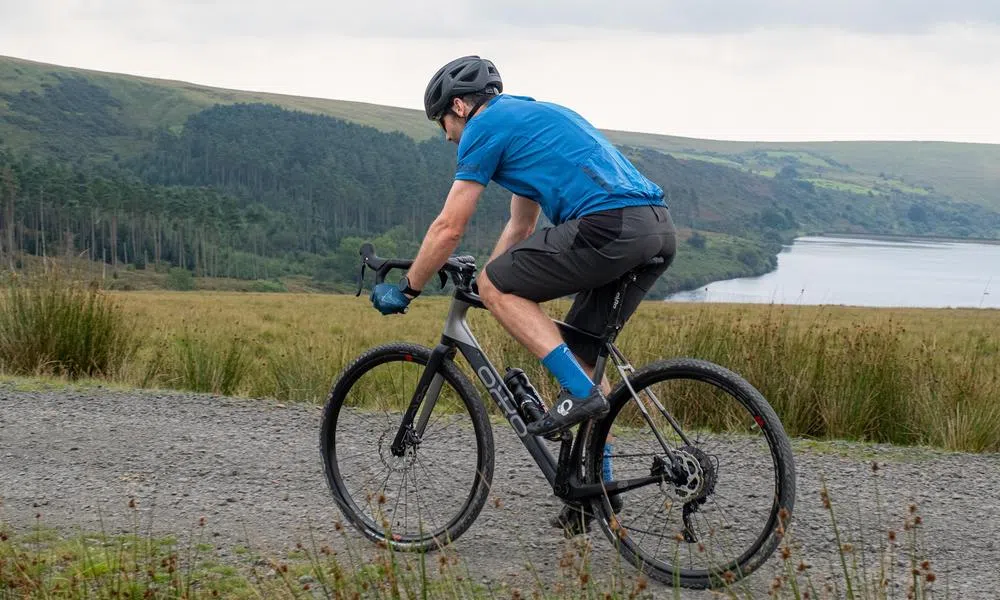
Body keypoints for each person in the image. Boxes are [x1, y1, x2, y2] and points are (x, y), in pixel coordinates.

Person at [370, 55, 677, 533]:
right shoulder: (527, 121)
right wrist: (488, 277)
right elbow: (522, 224)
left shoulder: (483, 128)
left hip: (610, 226)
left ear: (459, 107)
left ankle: (579, 394)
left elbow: (449, 227)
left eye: (443, 124)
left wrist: (408, 289)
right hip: (655, 230)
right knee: (580, 352)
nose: (448, 135)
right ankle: (599, 492)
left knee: (563, 365)